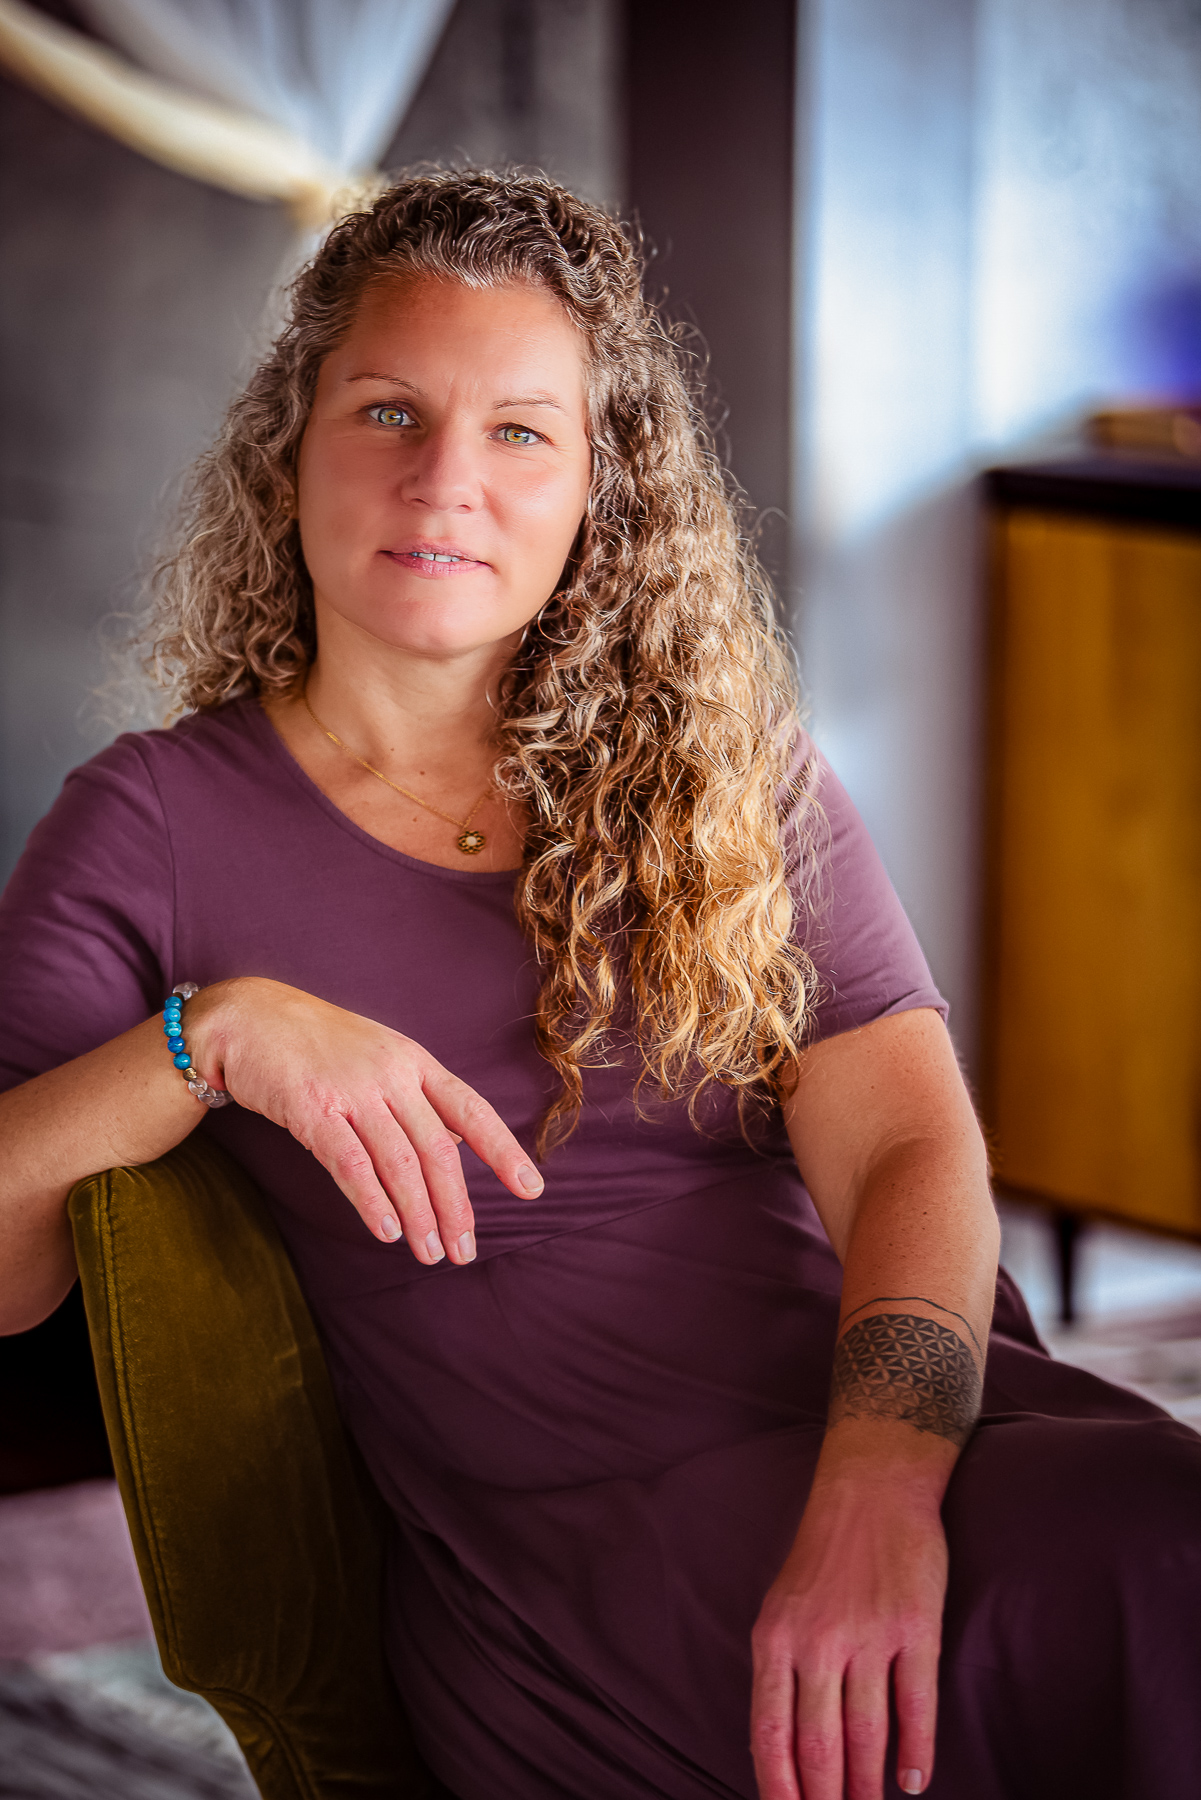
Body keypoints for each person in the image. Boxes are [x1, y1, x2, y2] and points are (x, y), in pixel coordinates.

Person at [0, 170, 1197, 1800]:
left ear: (596, 493)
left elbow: (909, 1149)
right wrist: (208, 1040)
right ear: (289, 449)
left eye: (519, 432)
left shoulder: (724, 771)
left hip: (901, 1440)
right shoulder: (149, 825)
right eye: (388, 410)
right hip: (575, 1577)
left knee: (1167, 1542)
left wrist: (879, 1484)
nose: (444, 478)